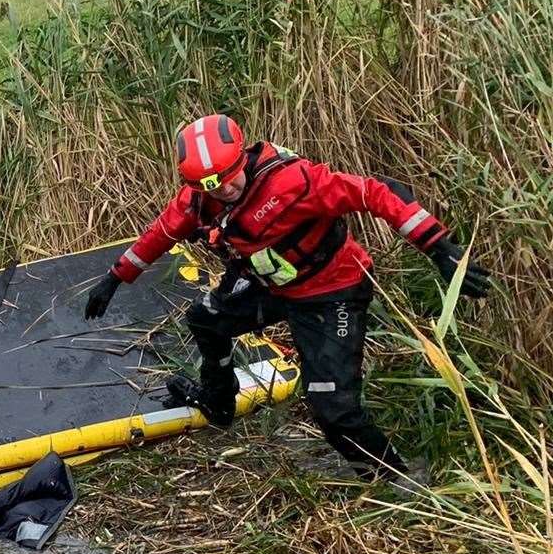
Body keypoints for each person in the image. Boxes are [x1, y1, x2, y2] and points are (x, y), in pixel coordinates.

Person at [82, 114, 492, 483]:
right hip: (273, 286)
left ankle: (395, 481)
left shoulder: (293, 183)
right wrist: (115, 278)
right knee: (207, 319)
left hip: (333, 291)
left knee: (332, 408)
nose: (225, 189)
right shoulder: (199, 200)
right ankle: (219, 401)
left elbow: (376, 192)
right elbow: (160, 234)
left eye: (229, 175)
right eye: (210, 184)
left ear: (243, 157)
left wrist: (438, 246)